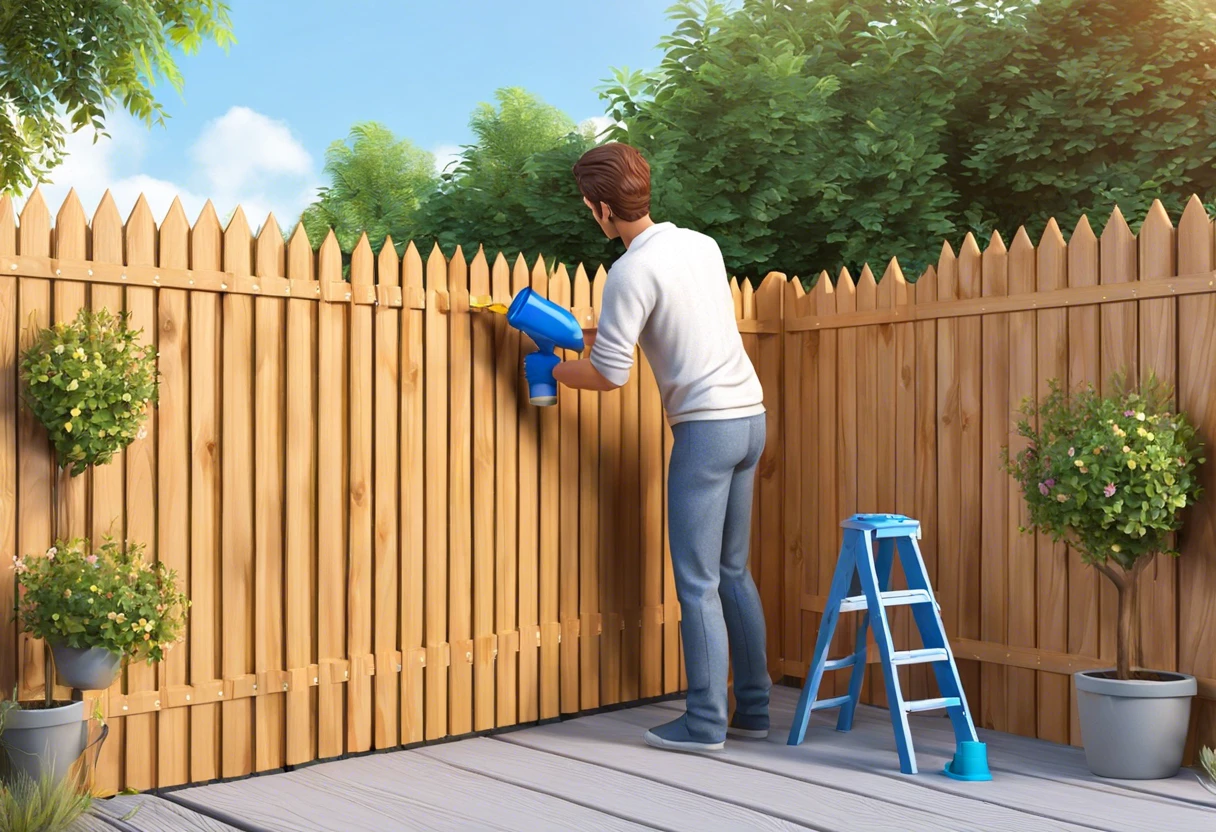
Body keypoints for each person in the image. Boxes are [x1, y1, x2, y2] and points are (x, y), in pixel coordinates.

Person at [553, 142, 772, 752]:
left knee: (696, 581)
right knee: (733, 571)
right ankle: (753, 709)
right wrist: (591, 333)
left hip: (705, 430)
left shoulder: (627, 272)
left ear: (601, 209)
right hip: (750, 419)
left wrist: (550, 371)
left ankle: (704, 723)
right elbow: (679, 320)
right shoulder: (699, 245)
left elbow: (609, 374)